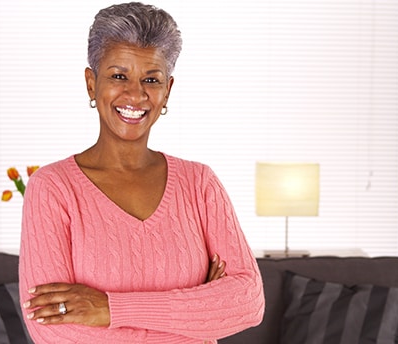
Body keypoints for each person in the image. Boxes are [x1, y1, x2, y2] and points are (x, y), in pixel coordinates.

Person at [19, 2, 264, 343]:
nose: (136, 94)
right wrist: (195, 313)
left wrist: (108, 309)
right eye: (119, 76)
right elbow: (54, 333)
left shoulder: (199, 184)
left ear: (167, 91)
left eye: (151, 79)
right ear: (92, 83)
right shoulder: (53, 189)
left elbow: (248, 302)